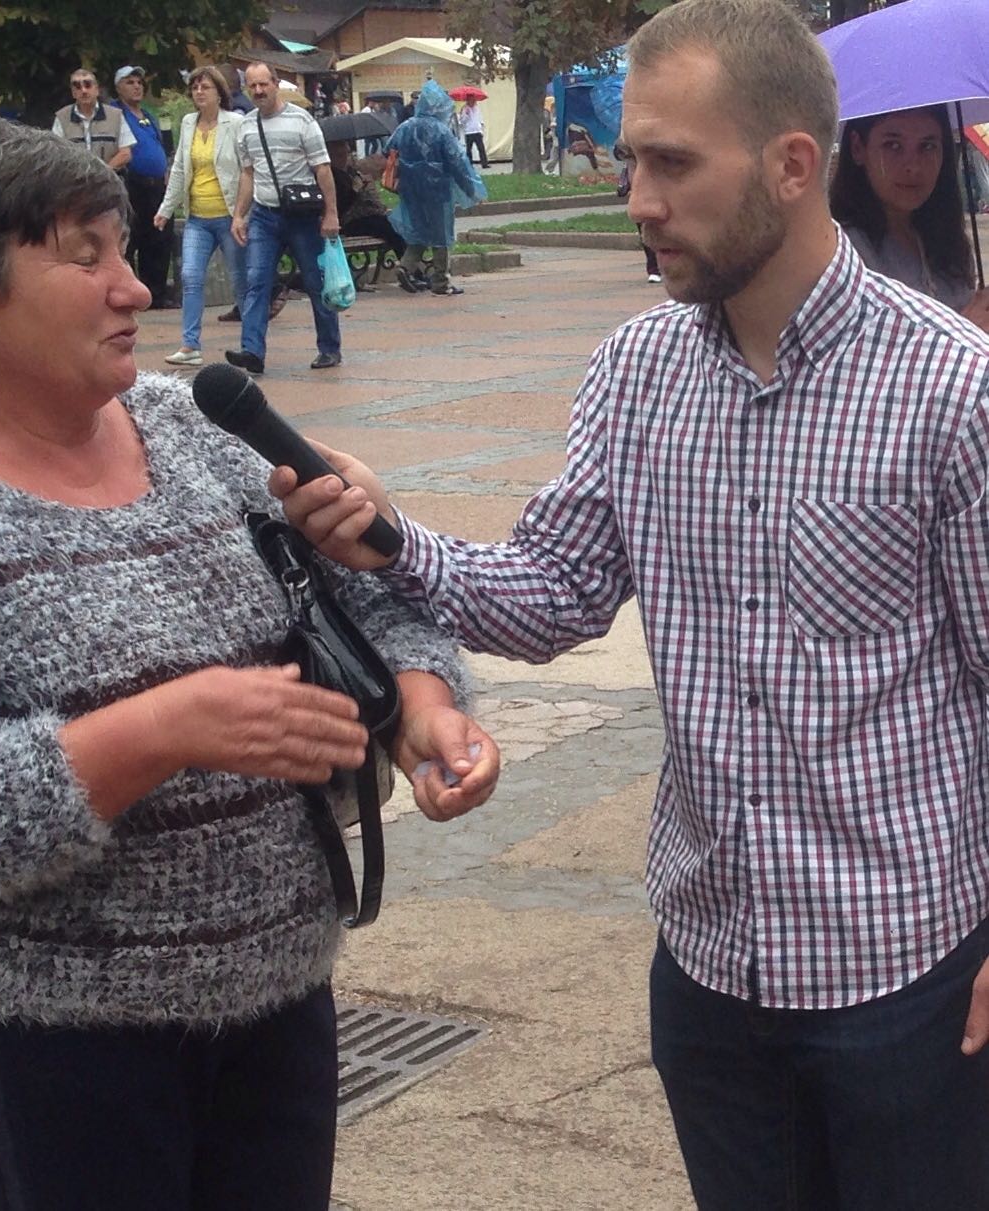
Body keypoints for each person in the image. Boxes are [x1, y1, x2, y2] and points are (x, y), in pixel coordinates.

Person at [272, 1, 989, 1207]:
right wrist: (386, 536)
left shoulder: (950, 391)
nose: (637, 199)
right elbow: (552, 594)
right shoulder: (635, 370)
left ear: (791, 165)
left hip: (902, 973)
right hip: (707, 973)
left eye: (670, 163)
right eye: (628, 161)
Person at [0, 115, 499, 1211]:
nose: (135, 288)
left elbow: (362, 602)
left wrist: (423, 708)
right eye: (85, 256)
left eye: (125, 247)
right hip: (58, 1041)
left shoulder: (194, 423)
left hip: (278, 996)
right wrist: (157, 732)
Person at [830, 104, 989, 331]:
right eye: (893, 145)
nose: (913, 166)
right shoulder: (841, 252)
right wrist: (966, 329)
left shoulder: (949, 244)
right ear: (857, 147)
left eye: (927, 146)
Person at [228, 62, 342, 375]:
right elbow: (248, 174)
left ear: (276, 84)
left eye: (263, 84)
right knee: (256, 281)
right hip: (264, 216)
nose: (258, 91)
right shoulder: (246, 126)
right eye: (252, 86)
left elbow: (322, 168)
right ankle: (252, 351)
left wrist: (331, 213)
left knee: (316, 282)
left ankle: (329, 348)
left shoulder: (301, 120)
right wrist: (239, 215)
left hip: (302, 216)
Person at [155, 65, 247, 366]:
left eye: (205, 87)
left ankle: (251, 344)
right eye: (194, 88)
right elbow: (180, 168)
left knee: (240, 280)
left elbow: (248, 169)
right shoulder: (188, 123)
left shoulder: (235, 123)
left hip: (229, 216)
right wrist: (166, 209)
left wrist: (244, 213)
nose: (198, 92)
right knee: (190, 276)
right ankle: (189, 345)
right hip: (198, 217)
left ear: (219, 93)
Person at [386, 81, 486, 298]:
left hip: (410, 188)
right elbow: (457, 163)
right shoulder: (441, 131)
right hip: (437, 189)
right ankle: (441, 280)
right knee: (441, 235)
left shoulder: (406, 127)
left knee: (419, 231)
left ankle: (406, 266)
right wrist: (472, 190)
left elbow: (389, 149)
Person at [110, 65, 175, 310]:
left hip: (157, 185)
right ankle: (129, 292)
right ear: (118, 88)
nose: (137, 86)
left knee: (159, 238)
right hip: (132, 183)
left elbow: (161, 146)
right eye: (130, 82)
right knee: (131, 237)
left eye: (139, 82)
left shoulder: (148, 115)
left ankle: (156, 292)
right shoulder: (115, 113)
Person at [327, 139, 406, 260]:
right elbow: (342, 204)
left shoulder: (349, 171)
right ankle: (406, 263)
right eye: (341, 153)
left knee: (393, 223)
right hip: (348, 221)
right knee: (387, 227)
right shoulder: (331, 175)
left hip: (363, 215)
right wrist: (355, 190)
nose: (347, 151)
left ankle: (407, 261)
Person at [52, 67, 135, 170]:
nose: (83, 90)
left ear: (97, 90)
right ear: (73, 93)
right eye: (77, 86)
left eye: (88, 85)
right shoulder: (62, 117)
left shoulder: (115, 115)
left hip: (109, 177)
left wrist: (102, 173)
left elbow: (125, 153)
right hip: (74, 178)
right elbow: (56, 154)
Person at [612, 140, 661, 283]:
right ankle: (654, 269)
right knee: (646, 230)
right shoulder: (628, 147)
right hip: (639, 192)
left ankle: (657, 268)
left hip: (657, 191)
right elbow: (618, 152)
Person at [459, 98, 489, 168]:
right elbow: (462, 121)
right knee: (469, 149)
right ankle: (469, 164)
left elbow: (480, 118)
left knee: (481, 148)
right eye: (471, 100)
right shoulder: (464, 109)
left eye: (474, 100)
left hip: (477, 131)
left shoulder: (477, 108)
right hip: (469, 132)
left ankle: (484, 163)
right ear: (468, 101)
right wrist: (466, 114)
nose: (473, 102)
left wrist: (481, 127)